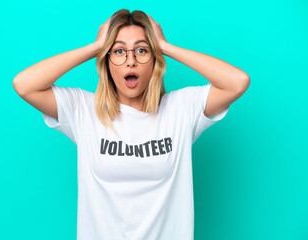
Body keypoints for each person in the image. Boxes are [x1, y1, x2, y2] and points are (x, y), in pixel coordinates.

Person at [13, 9, 250, 240]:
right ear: (106, 62)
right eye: (118, 51)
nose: (131, 61)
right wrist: (95, 47)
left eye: (141, 50)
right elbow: (24, 84)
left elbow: (237, 82)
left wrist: (166, 46)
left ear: (155, 61)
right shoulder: (83, 110)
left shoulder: (181, 109)